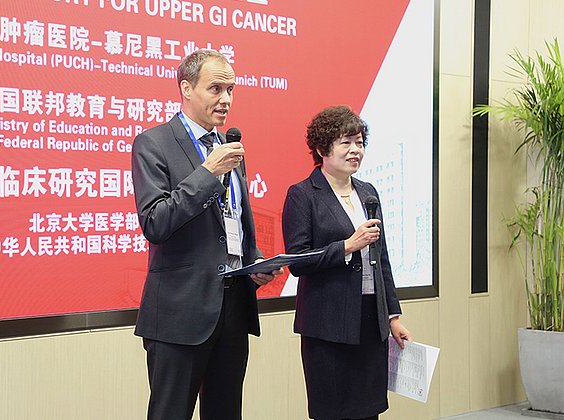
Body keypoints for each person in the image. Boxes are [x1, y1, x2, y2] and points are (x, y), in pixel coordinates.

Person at [131, 49, 282, 420]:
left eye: (231, 90)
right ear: (186, 87)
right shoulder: (153, 143)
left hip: (232, 307)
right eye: (216, 88)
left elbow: (232, 222)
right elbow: (155, 222)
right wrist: (206, 173)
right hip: (179, 313)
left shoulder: (229, 148)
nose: (226, 99)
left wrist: (254, 260)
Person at [281, 106, 412, 420]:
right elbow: (297, 261)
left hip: (371, 320)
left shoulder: (368, 193)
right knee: (334, 411)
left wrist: (392, 315)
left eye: (360, 142)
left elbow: (382, 259)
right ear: (322, 148)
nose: (356, 150)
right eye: (346, 143)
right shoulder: (303, 195)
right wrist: (347, 246)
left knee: (369, 410)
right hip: (328, 325)